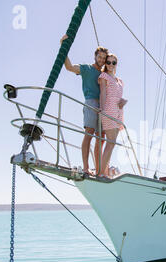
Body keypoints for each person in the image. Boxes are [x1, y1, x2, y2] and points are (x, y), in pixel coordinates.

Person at [60, 34, 108, 175]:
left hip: (103, 106)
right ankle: (86, 168)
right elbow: (69, 67)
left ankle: (99, 170)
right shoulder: (86, 69)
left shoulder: (105, 73)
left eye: (104, 58)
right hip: (91, 103)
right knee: (89, 134)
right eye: (99, 57)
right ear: (95, 56)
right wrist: (63, 46)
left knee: (101, 138)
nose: (101, 60)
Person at [98, 53, 128, 177]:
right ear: (106, 63)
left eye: (113, 62)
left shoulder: (120, 81)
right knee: (111, 142)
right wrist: (102, 109)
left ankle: (104, 171)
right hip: (108, 110)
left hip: (118, 111)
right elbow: (103, 93)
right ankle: (101, 172)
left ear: (116, 64)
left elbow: (118, 96)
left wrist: (123, 102)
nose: (111, 65)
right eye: (108, 62)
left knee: (112, 143)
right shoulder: (104, 76)